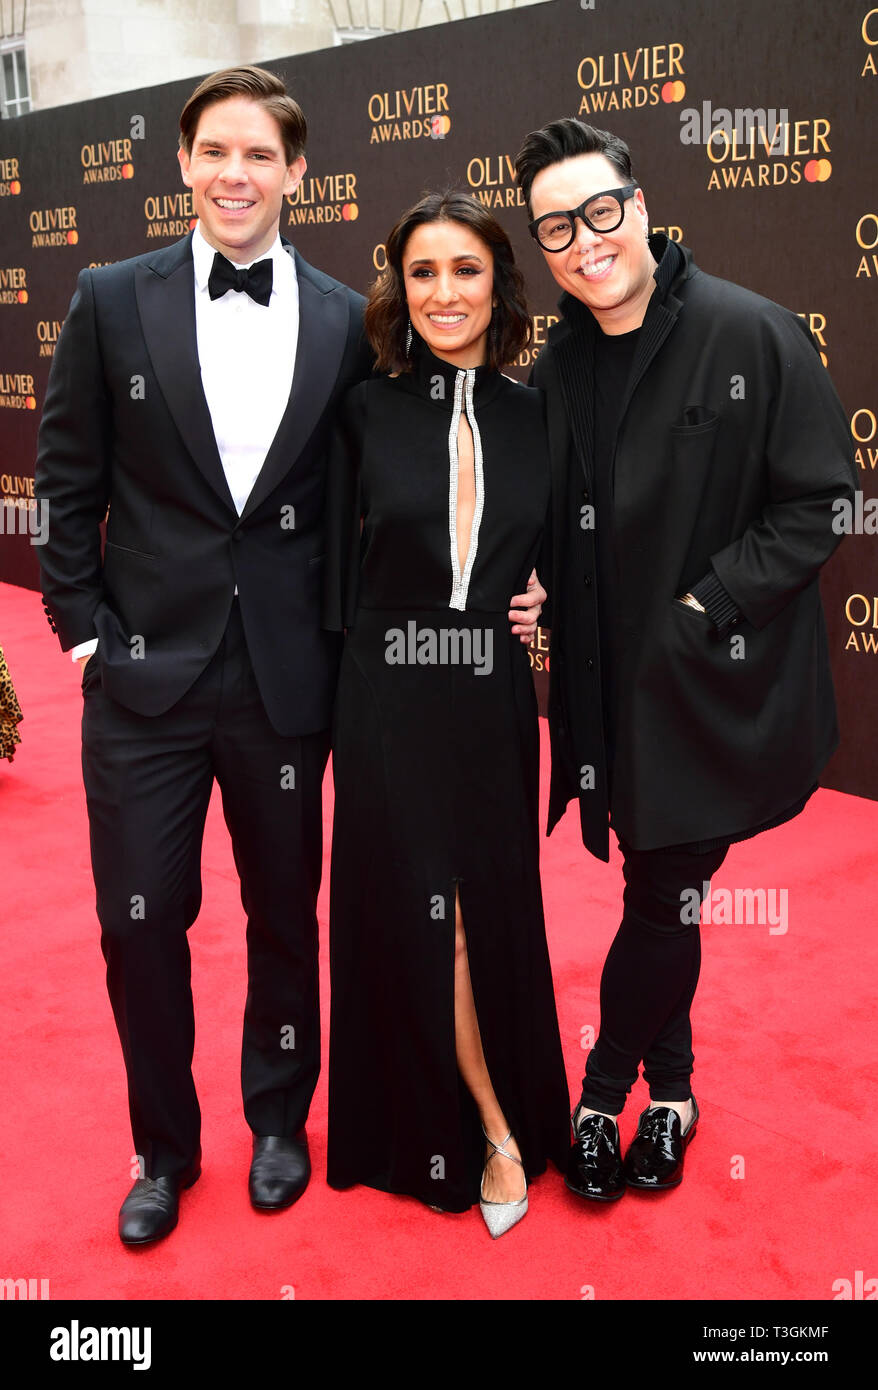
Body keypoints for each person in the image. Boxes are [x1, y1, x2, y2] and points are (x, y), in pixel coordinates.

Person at [34, 65, 376, 1245]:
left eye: (260, 154)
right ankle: (161, 1147)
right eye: (214, 151)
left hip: (285, 681)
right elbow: (66, 480)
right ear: (179, 163)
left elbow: (365, 498)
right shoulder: (108, 299)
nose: (237, 173)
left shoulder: (343, 316)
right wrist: (83, 636)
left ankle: (279, 1120)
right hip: (142, 678)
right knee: (141, 920)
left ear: (295, 172)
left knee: (287, 912)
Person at [512, 119, 856, 1201]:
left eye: (598, 210)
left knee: (662, 893)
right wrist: (533, 591)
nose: (582, 240)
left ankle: (603, 1095)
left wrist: (706, 604)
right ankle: (677, 1092)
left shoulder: (747, 333)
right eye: (555, 226)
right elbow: (554, 514)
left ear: (640, 203)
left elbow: (819, 504)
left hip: (710, 686)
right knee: (662, 891)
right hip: (605, 697)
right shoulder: (556, 363)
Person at [323, 192, 569, 1236]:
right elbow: (331, 571)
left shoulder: (535, 414)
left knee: (493, 904)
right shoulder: (364, 410)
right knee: (438, 915)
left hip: (493, 697)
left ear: (498, 284)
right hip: (387, 693)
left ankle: (497, 1107)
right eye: (421, 272)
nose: (442, 293)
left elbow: (564, 557)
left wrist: (545, 604)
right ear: (399, 287)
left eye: (464, 270)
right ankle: (485, 1127)